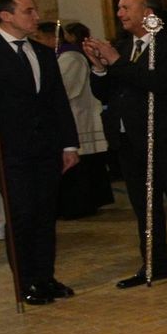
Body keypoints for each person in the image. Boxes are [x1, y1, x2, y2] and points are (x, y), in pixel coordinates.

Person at [85, 0, 167, 288]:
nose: (120, 13)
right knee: (144, 207)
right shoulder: (125, 47)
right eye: (118, 8)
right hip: (130, 141)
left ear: (149, 13)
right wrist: (100, 67)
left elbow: (158, 84)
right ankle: (154, 263)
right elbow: (106, 93)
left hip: (166, 139)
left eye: (126, 7)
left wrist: (116, 62)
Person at [0, 0, 79, 305]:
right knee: (22, 214)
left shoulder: (41, 51)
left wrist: (68, 144)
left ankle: (45, 277)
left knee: (45, 213)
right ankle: (25, 282)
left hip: (46, 148)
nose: (36, 16)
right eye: (28, 11)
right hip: (8, 150)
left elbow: (57, 102)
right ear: (6, 15)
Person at [55, 22, 114, 219]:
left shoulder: (71, 56)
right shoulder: (65, 55)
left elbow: (66, 87)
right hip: (76, 115)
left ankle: (84, 204)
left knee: (85, 163)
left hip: (79, 115)